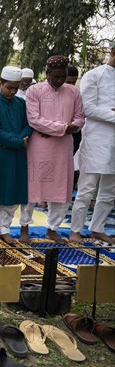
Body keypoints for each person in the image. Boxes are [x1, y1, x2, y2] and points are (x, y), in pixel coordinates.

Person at [20, 55, 85, 243]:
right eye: (55, 76)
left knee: (62, 187)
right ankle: (25, 227)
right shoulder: (35, 91)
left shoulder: (73, 92)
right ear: (47, 74)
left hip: (63, 147)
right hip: (39, 147)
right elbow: (34, 119)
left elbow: (80, 117)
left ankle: (52, 228)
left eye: (62, 76)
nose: (59, 80)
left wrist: (66, 128)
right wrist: (63, 128)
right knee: (33, 187)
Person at [70, 41, 115, 245]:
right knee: (86, 189)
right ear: (113, 52)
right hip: (96, 139)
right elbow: (88, 108)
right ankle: (76, 230)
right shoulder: (94, 75)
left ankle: (97, 228)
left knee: (109, 191)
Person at [0, 66, 32, 243]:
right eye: (9, 87)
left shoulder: (21, 103)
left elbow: (28, 125)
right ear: (0, 83)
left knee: (12, 193)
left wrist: (20, 138)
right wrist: (18, 140)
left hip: (16, 156)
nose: (12, 91)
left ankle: (5, 229)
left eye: (16, 88)